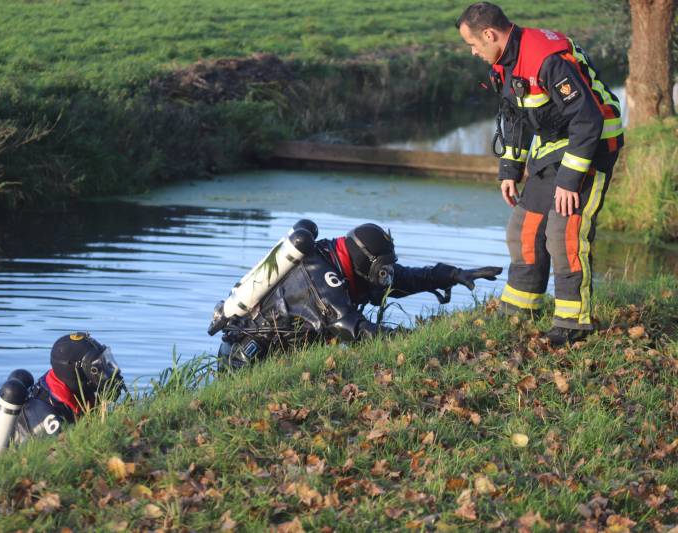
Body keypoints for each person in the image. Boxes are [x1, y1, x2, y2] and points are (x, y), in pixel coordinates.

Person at [456, 3, 624, 346]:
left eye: (473, 44)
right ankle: (521, 307)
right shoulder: (504, 63)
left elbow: (587, 120)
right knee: (523, 229)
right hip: (555, 144)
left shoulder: (546, 59)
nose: (473, 52)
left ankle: (574, 322)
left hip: (592, 145)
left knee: (564, 232)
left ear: (490, 35)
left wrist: (568, 181)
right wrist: (510, 170)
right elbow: (516, 117)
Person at [209, 221, 502, 369]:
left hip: (275, 355)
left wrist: (452, 274)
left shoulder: (343, 260)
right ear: (365, 262)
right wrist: (409, 339)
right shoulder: (322, 275)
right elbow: (351, 327)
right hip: (245, 359)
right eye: (380, 269)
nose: (384, 275)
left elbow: (404, 278)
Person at [13, 332, 125, 442]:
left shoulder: (68, 387)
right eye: (96, 369)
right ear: (74, 372)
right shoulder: (51, 419)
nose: (108, 373)